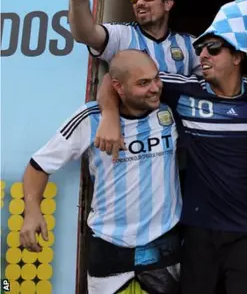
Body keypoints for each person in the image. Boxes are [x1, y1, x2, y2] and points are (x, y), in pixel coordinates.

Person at [97, 0, 247, 294]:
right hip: (198, 232)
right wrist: (109, 116)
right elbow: (119, 76)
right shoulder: (184, 90)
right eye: (200, 48)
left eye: (213, 48)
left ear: (238, 56)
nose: (202, 55)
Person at [19, 50, 182, 294]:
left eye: (156, 78)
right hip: (110, 249)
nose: (155, 87)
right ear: (119, 87)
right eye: (143, 83)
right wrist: (32, 211)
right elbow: (38, 166)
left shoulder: (170, 111)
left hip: (163, 247)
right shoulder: (90, 118)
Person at [58, 0, 201, 157]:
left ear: (168, 4)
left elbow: (211, 84)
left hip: (178, 144)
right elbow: (86, 34)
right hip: (129, 145)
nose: (139, 2)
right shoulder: (122, 34)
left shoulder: (190, 44)